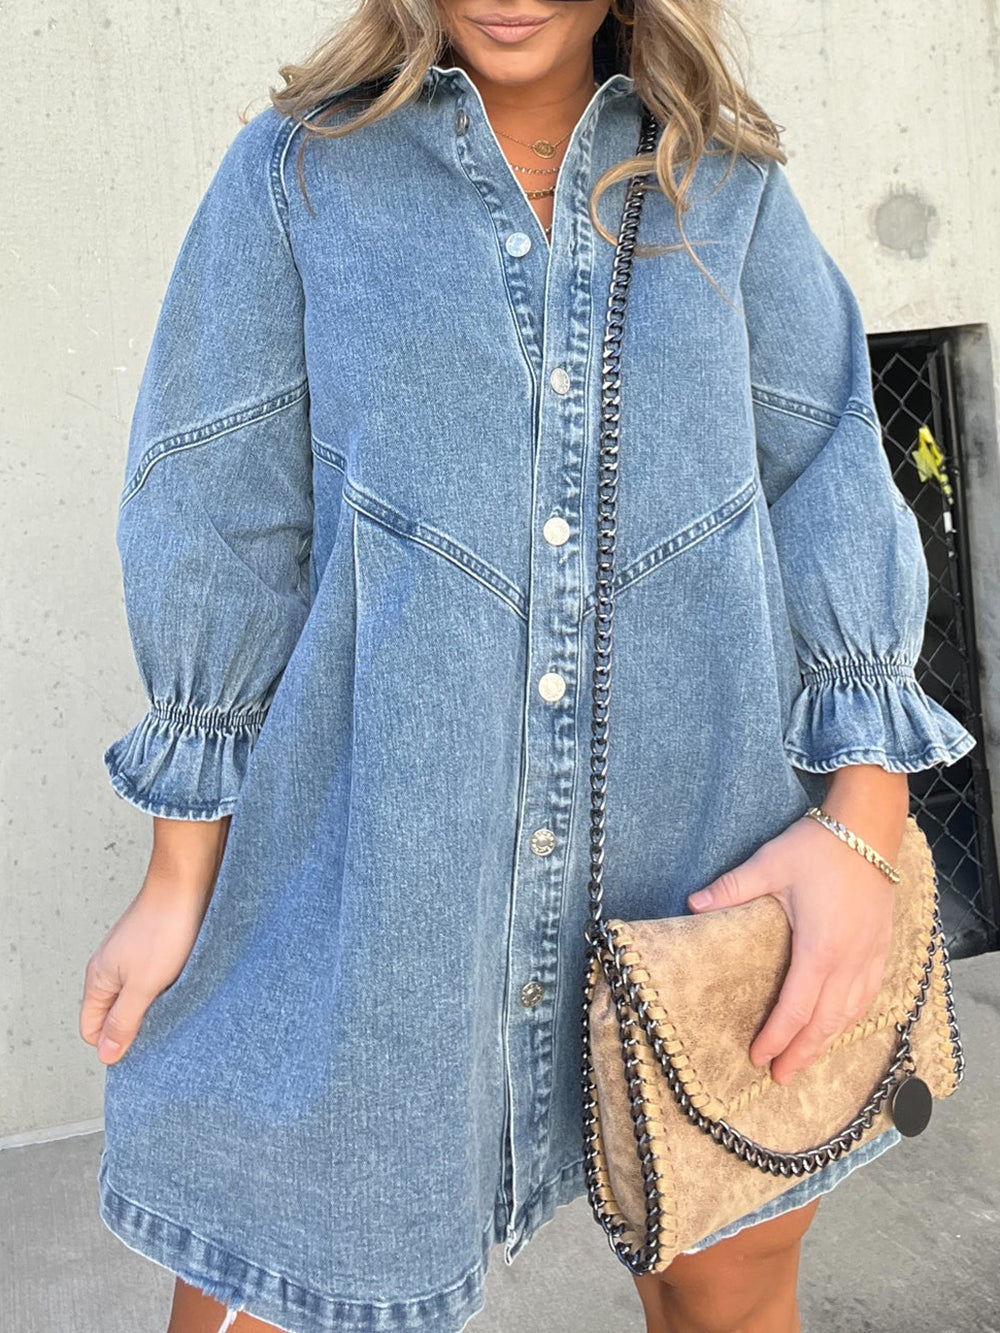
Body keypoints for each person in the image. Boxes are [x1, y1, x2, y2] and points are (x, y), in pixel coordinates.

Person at [79, 0, 977, 1330]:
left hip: (702, 883)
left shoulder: (724, 185)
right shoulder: (298, 177)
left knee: (729, 1297)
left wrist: (864, 826)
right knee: (287, 1287)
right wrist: (178, 878)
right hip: (386, 904)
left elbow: (827, 467)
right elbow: (221, 514)